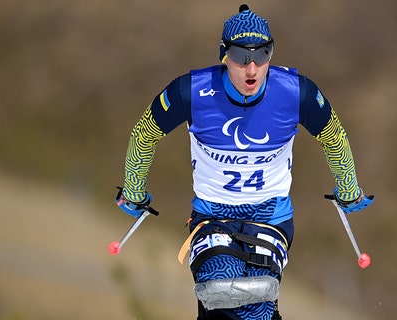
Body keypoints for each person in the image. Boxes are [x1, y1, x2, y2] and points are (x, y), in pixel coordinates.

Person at [115, 4, 374, 320]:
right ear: (224, 54)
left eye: (262, 55)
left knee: (256, 301)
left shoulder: (296, 92)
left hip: (270, 215)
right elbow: (145, 133)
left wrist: (348, 188)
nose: (251, 69)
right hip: (213, 215)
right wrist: (133, 190)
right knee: (219, 291)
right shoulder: (192, 91)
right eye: (240, 57)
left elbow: (333, 135)